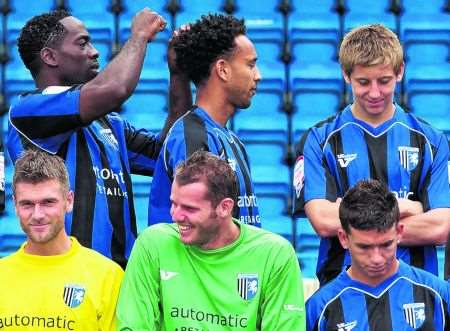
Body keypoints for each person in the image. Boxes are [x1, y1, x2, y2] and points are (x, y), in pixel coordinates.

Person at [7, 8, 191, 268]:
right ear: (49, 56)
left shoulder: (108, 123)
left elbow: (168, 153)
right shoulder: (29, 111)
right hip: (68, 277)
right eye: (82, 43)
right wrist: (138, 36)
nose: (94, 51)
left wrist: (179, 75)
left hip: (120, 278)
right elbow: (115, 88)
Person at [293, 23, 450, 285]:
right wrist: (408, 207)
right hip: (340, 290)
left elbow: (439, 227)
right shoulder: (319, 140)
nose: (375, 92)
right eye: (363, 82)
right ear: (346, 75)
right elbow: (322, 220)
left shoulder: (431, 141)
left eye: (384, 81)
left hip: (416, 293)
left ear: (400, 72)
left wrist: (347, 215)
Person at [117, 150, 305, 330]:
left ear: (224, 207)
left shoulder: (275, 255)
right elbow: (133, 326)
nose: (176, 216)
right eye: (174, 204)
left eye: (189, 208)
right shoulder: (153, 244)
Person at [148, 14, 262, 226]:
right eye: (250, 65)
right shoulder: (191, 136)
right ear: (222, 69)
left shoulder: (232, 141)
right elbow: (198, 229)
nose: (258, 75)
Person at [0, 149, 123, 330]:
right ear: (15, 205)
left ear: (69, 201)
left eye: (48, 202)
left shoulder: (108, 276)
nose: (38, 214)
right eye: (27, 204)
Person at [306, 179, 450, 331]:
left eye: (385, 245)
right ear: (344, 238)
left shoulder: (439, 295)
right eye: (364, 247)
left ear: (399, 232)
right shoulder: (318, 309)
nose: (376, 258)